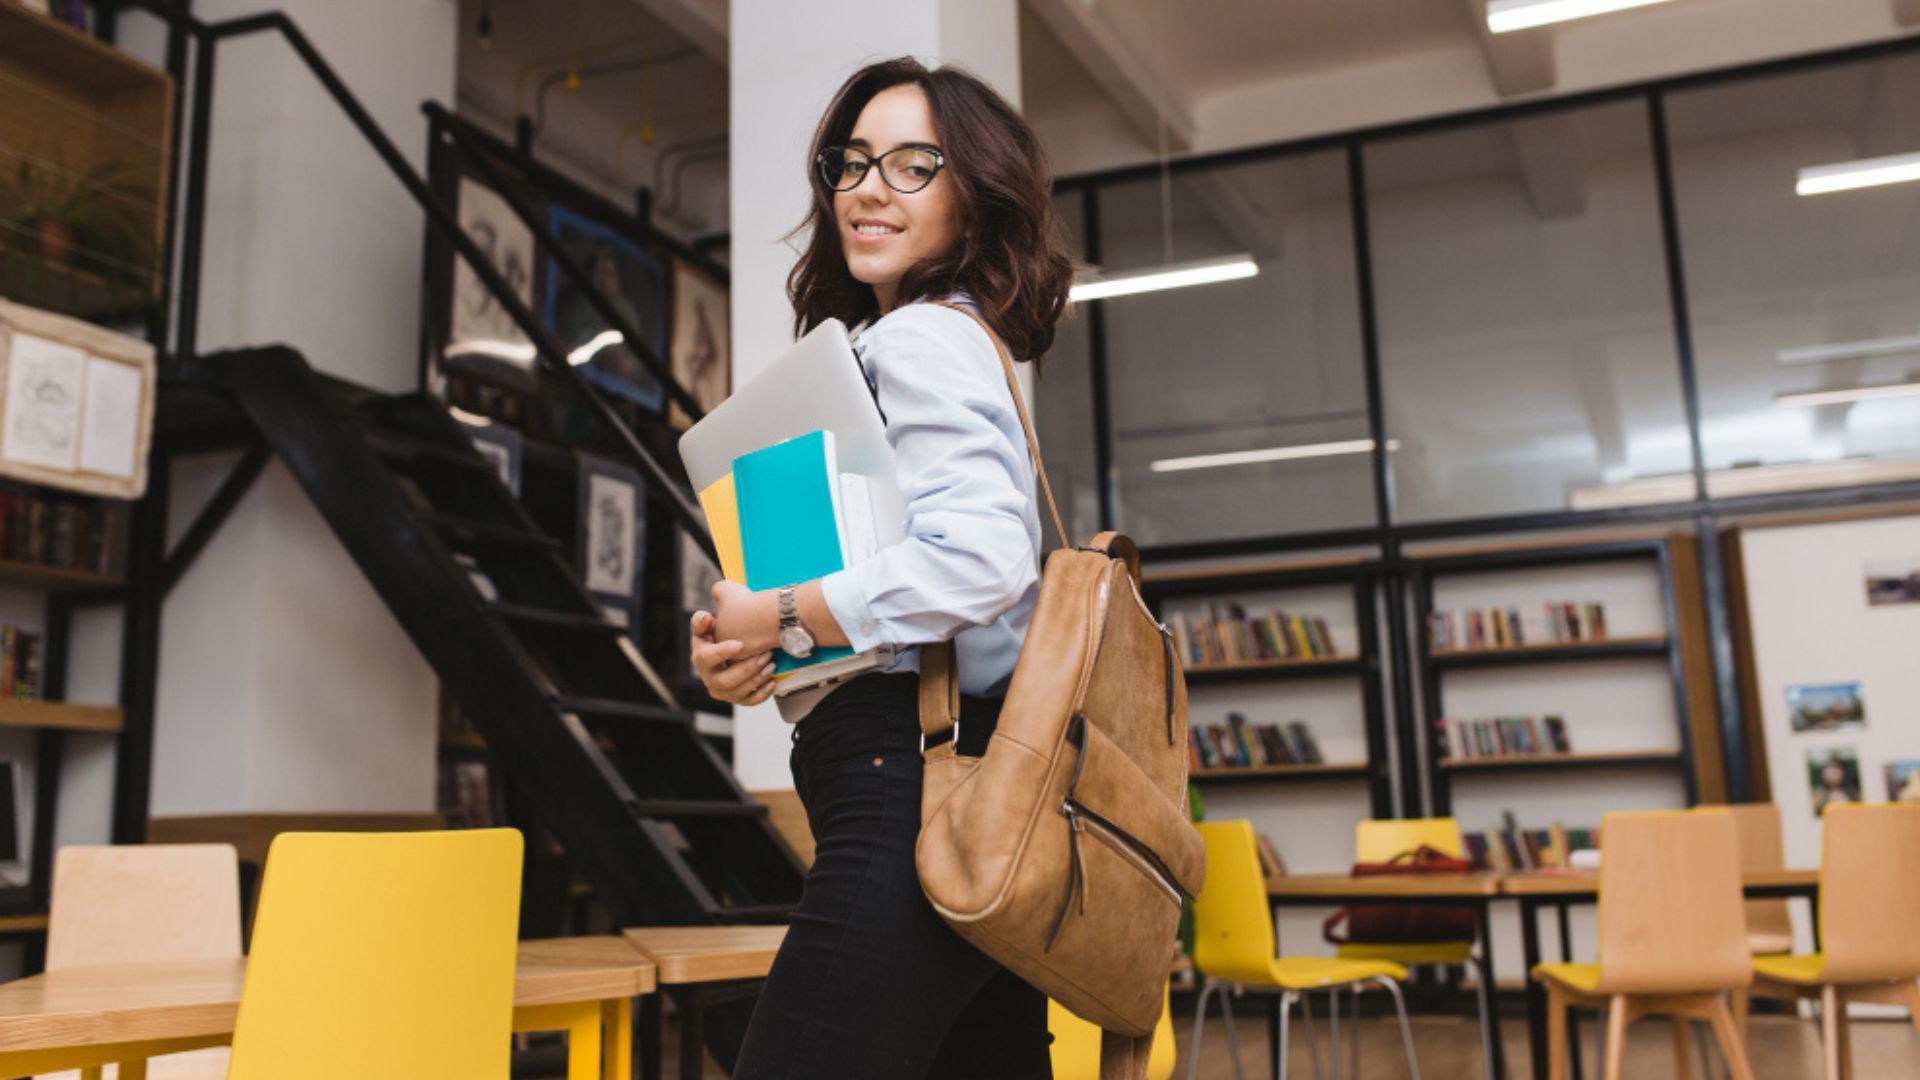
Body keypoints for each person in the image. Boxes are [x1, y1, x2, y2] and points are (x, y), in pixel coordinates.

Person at [689, 57, 1074, 1079]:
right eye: (852, 162)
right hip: (963, 794)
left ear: (974, 195)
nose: (868, 186)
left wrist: (782, 609)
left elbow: (982, 560)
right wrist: (764, 645)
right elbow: (900, 594)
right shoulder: (901, 347)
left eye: (913, 165)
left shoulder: (921, 340)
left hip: (909, 796)